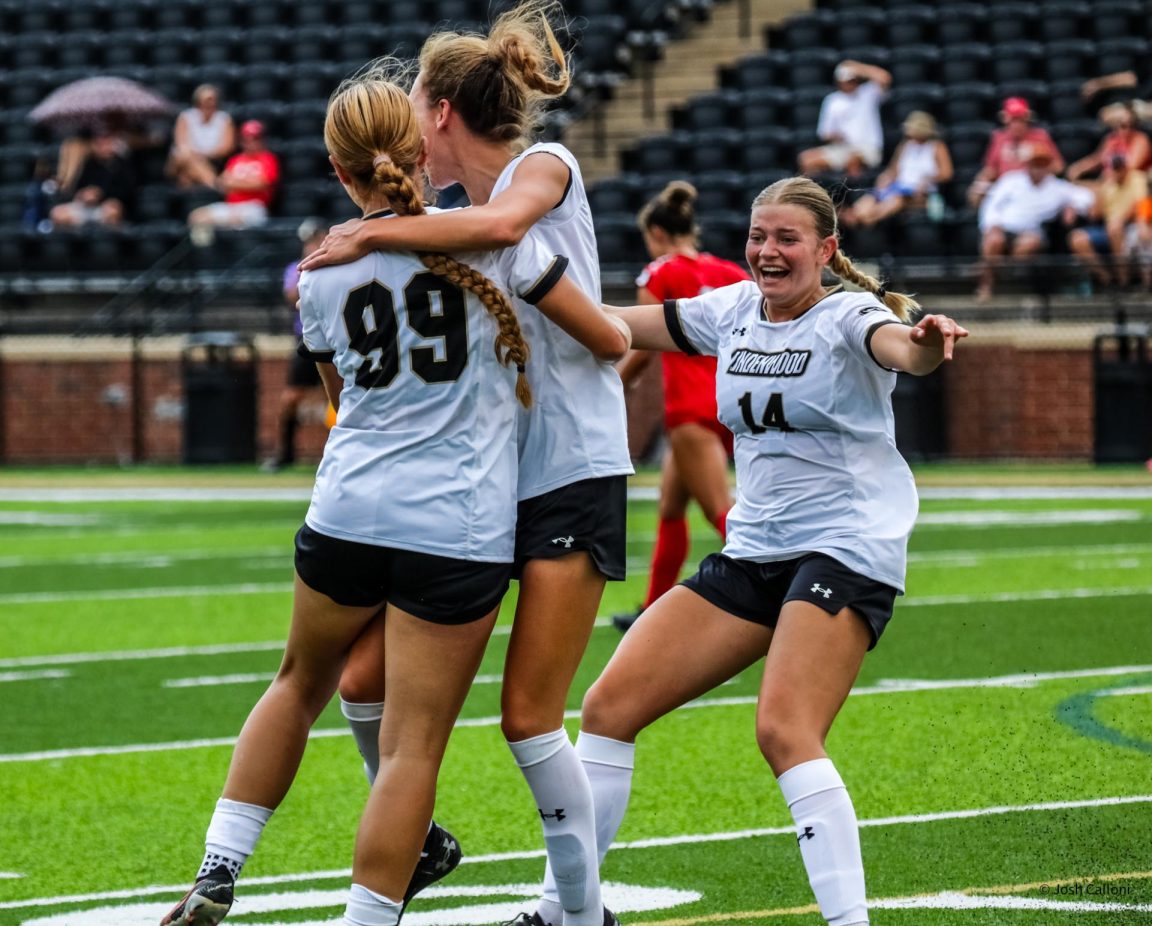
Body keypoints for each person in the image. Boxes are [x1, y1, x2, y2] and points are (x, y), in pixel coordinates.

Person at [159, 73, 629, 926]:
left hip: (345, 509)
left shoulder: (320, 273)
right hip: (457, 522)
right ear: (420, 150)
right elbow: (605, 335)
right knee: (413, 749)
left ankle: (219, 868)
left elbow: (340, 397)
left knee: (298, 683)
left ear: (340, 171)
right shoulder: (494, 245)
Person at [554, 176, 967, 926]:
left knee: (783, 729)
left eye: (786, 239)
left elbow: (904, 350)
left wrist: (929, 344)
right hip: (755, 548)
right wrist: (525, 299)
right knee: (609, 707)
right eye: (757, 237)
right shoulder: (733, 310)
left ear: (826, 250)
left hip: (844, 547)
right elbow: (620, 327)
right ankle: (568, 912)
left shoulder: (849, 316)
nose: (767, 252)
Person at [300, 5, 633, 926]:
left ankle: (578, 913)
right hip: (484, 486)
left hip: (572, 470)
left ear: (441, 111)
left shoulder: (542, 168)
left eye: (413, 98)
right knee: (361, 683)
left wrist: (367, 234)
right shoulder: (445, 219)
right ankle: (421, 837)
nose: (404, 120)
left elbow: (507, 230)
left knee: (528, 714)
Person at [608, 181, 748, 633]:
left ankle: (782, 579)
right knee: (670, 507)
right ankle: (652, 609)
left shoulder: (659, 274)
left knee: (719, 510)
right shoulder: (730, 272)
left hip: (689, 407)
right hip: (728, 401)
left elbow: (645, 344)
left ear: (656, 233)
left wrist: (613, 385)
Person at [976, 143, 1094, 301]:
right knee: (993, 241)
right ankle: (985, 288)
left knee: (1029, 244)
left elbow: (1086, 197)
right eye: (1035, 163)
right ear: (1027, 164)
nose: (1038, 167)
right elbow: (991, 204)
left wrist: (1072, 206)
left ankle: (1007, 280)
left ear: (1048, 166)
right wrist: (992, 225)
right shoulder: (1011, 180)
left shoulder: (1057, 187)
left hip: (1031, 232)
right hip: (1003, 228)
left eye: (1042, 163)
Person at [264, 219, 330, 472]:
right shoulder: (299, 267)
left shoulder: (336, 261)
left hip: (333, 335)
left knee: (337, 398)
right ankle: (285, 453)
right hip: (306, 339)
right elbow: (293, 294)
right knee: (291, 398)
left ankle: (334, 451)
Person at [842, 111, 952, 229]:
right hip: (898, 187)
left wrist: (927, 179)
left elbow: (947, 173)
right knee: (871, 198)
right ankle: (857, 214)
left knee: (896, 200)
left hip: (919, 193)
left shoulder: (937, 147)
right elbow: (893, 170)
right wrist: (885, 178)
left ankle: (868, 219)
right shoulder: (905, 145)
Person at [797, 60, 891, 179]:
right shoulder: (832, 100)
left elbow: (884, 78)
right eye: (847, 81)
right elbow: (825, 134)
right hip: (842, 148)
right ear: (839, 82)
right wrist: (837, 137)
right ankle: (811, 193)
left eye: (853, 80)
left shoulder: (868, 93)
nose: (850, 84)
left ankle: (853, 192)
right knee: (806, 159)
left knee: (853, 160)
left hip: (868, 149)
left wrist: (858, 66)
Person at [1068, 154, 1148, 289]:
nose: (1118, 171)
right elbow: (1095, 215)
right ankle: (1107, 280)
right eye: (1115, 168)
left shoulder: (1136, 178)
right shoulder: (1107, 184)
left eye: (1120, 167)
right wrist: (1098, 191)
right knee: (1077, 239)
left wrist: (1121, 219)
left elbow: (1140, 204)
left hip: (1130, 225)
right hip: (1108, 227)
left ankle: (1124, 281)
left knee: (1114, 228)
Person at [967, 97, 1064, 208]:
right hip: (1006, 189)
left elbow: (1058, 167)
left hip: (1033, 188)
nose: (1016, 125)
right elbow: (991, 169)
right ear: (1006, 120)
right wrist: (980, 184)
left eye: (1020, 120)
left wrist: (1038, 167)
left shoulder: (1040, 136)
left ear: (1027, 119)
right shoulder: (999, 138)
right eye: (1013, 120)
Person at [188, 120, 279, 233]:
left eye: (255, 138)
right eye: (247, 139)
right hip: (231, 206)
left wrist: (235, 183)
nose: (250, 142)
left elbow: (263, 183)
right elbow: (222, 183)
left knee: (235, 220)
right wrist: (246, 183)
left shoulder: (268, 159)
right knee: (197, 217)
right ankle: (206, 250)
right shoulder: (235, 160)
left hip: (254, 207)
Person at [48, 130, 136, 228]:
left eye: (108, 143)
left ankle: (105, 242)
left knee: (113, 210)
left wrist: (101, 194)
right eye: (101, 144)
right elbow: (76, 188)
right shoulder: (88, 164)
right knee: (57, 213)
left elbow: (127, 191)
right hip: (84, 207)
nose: (105, 147)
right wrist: (83, 194)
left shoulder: (120, 165)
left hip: (104, 206)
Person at [166, 84, 237, 189]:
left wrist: (201, 155)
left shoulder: (224, 119)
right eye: (207, 99)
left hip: (210, 161)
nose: (210, 102)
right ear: (198, 101)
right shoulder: (186, 117)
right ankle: (214, 184)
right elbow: (181, 145)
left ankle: (189, 183)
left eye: (213, 99)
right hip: (179, 161)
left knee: (186, 176)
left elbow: (226, 148)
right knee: (184, 156)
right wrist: (197, 156)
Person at [1066, 101, 1151, 182]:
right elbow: (1096, 159)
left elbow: (1130, 168)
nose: (1125, 129)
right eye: (1121, 125)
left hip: (1127, 184)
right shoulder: (1111, 139)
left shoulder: (1140, 139)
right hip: (1108, 183)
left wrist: (1108, 178)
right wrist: (1078, 168)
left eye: (1131, 124)